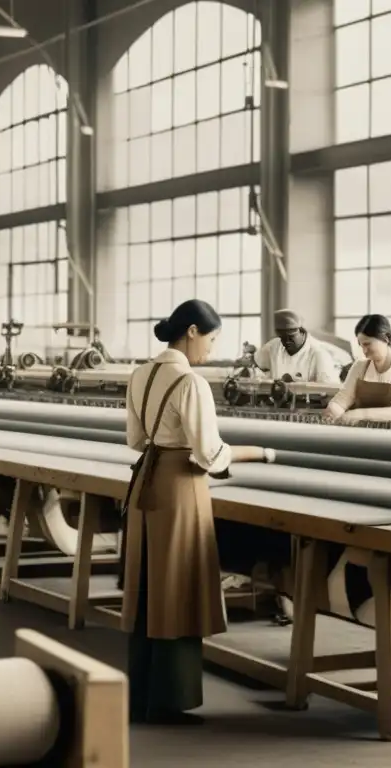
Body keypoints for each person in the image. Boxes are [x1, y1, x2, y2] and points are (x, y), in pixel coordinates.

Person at [122, 299, 276, 726]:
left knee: (149, 587)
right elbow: (210, 454)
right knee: (178, 588)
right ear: (191, 332)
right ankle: (169, 702)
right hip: (178, 489)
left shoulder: (140, 374)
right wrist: (260, 453)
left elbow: (136, 440)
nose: (210, 349)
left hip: (145, 484)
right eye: (210, 339)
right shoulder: (191, 383)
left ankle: (140, 695)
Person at [325, 314, 391, 425]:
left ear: (386, 339)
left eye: (367, 344)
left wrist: (358, 415)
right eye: (361, 346)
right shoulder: (360, 366)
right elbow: (342, 399)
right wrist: (333, 410)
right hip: (361, 435)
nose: (364, 351)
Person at [253, 309, 339, 383]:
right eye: (282, 338)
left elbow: (329, 391)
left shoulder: (319, 353)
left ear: (301, 332)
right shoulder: (274, 346)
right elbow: (254, 364)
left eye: (291, 337)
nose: (286, 342)